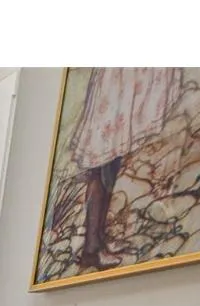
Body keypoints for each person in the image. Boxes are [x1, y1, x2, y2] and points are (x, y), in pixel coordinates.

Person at [68, 69, 181, 269]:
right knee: (102, 167)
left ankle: (98, 239)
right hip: (112, 91)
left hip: (116, 89)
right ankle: (91, 248)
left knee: (109, 166)